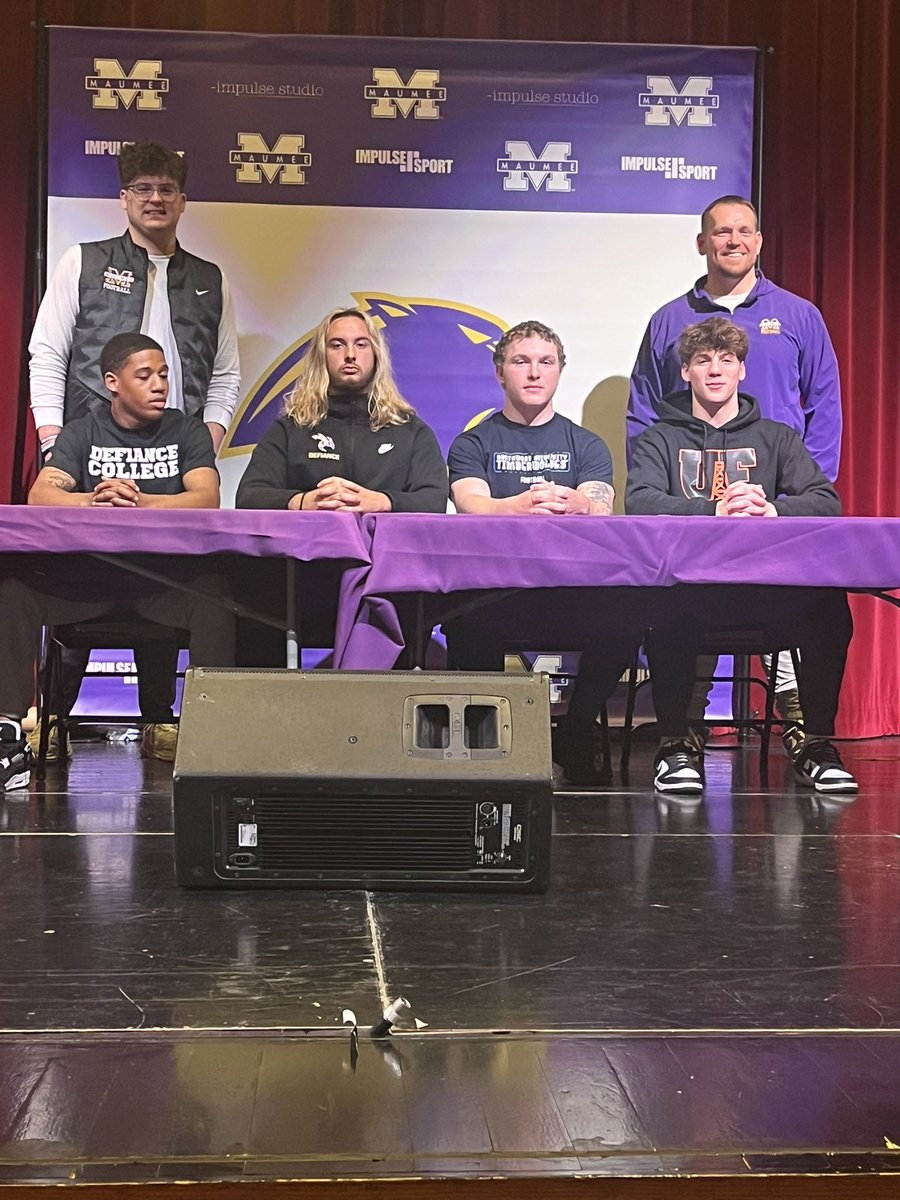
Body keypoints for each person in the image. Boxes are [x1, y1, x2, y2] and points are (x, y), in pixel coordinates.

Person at [28, 140, 240, 760]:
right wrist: (51, 442)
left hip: (175, 455)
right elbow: (48, 354)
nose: (155, 199)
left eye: (166, 189)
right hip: (88, 451)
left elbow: (225, 373)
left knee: (168, 578)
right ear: (124, 198)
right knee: (77, 580)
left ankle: (161, 720)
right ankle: (48, 720)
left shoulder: (208, 278)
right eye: (142, 188)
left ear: (183, 200)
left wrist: (206, 442)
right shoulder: (83, 261)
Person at [627, 194, 843, 754]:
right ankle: (685, 729)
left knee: (812, 611)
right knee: (682, 610)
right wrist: (672, 495)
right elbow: (644, 411)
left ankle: (804, 729)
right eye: (721, 232)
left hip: (774, 516)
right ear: (703, 243)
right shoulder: (669, 320)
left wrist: (794, 502)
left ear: (759, 241)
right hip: (694, 514)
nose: (733, 241)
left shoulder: (798, 315)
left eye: (744, 231)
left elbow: (823, 402)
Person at [625, 316, 856, 796]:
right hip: (692, 590)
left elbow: (824, 500)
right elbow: (640, 500)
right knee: (665, 602)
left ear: (742, 371)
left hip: (765, 589)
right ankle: (676, 744)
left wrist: (771, 508)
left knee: (829, 606)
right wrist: (714, 508)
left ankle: (815, 743)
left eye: (726, 360)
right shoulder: (659, 440)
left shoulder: (777, 438)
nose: (715, 370)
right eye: (703, 360)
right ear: (685, 371)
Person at [0, 332, 235, 792]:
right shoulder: (83, 431)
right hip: (86, 588)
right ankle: (8, 735)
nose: (159, 385)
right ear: (112, 382)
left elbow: (207, 496)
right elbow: (41, 494)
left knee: (218, 595)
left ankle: (215, 734)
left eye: (164, 375)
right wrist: (94, 499)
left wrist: (140, 501)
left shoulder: (185, 430)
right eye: (144, 375)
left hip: (164, 588)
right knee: (14, 589)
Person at [447, 319, 646, 785]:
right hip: (497, 595)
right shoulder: (473, 442)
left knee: (629, 614)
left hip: (570, 592)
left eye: (545, 363)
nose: (534, 373)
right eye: (521, 361)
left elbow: (602, 505)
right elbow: (470, 504)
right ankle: (489, 735)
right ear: (500, 371)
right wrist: (521, 505)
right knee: (459, 617)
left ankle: (576, 729)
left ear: (559, 372)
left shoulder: (585, 444)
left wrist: (580, 503)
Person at [235, 307, 447, 513]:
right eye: (337, 345)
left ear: (376, 355)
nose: (350, 355)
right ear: (321, 356)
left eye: (361, 344)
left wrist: (383, 501)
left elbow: (434, 500)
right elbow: (248, 496)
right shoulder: (291, 429)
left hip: (384, 548)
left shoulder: (410, 431)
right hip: (310, 548)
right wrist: (301, 502)